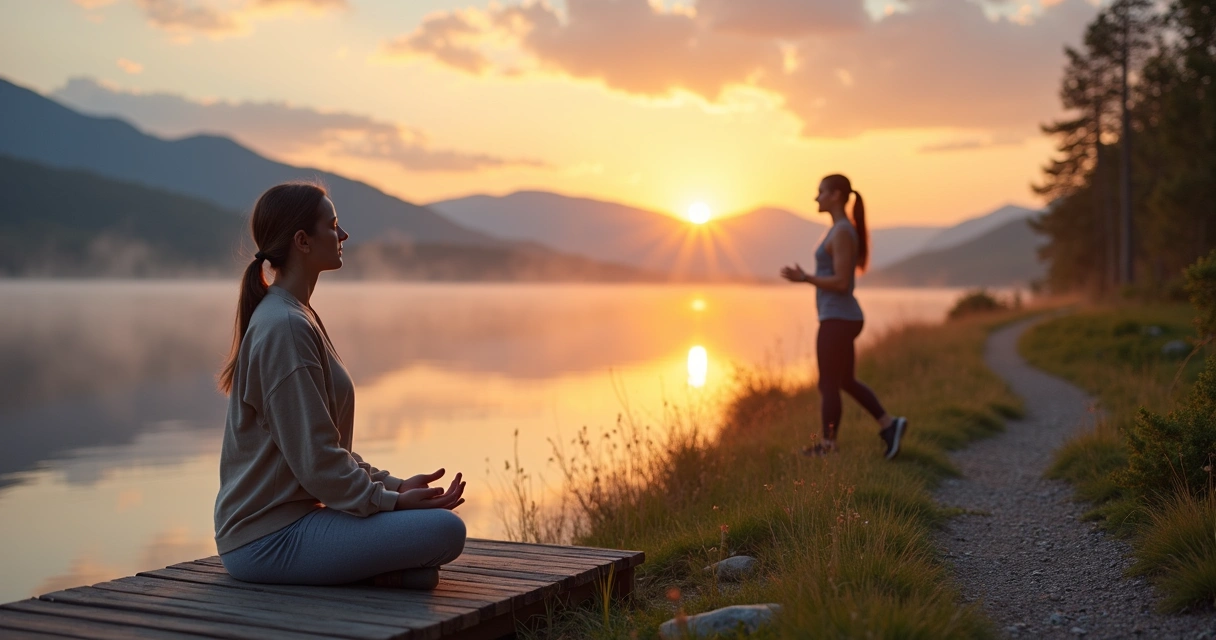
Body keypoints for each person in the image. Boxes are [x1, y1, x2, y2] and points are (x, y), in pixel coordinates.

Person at [214, 182, 466, 589]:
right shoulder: (284, 327)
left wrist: (396, 485)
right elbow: (319, 463)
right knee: (444, 531)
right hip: (266, 540)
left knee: (428, 552)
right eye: (332, 225)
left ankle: (387, 575)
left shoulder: (296, 315)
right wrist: (394, 503)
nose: (344, 235)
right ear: (302, 241)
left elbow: (328, 451)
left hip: (298, 522)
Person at [780, 174, 908, 459]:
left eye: (821, 192)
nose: (816, 197)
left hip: (838, 318)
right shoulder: (840, 230)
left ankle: (828, 446)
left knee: (828, 383)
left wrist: (805, 278)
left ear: (836, 195)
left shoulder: (840, 232)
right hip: (840, 316)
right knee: (845, 381)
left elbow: (841, 282)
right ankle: (890, 425)